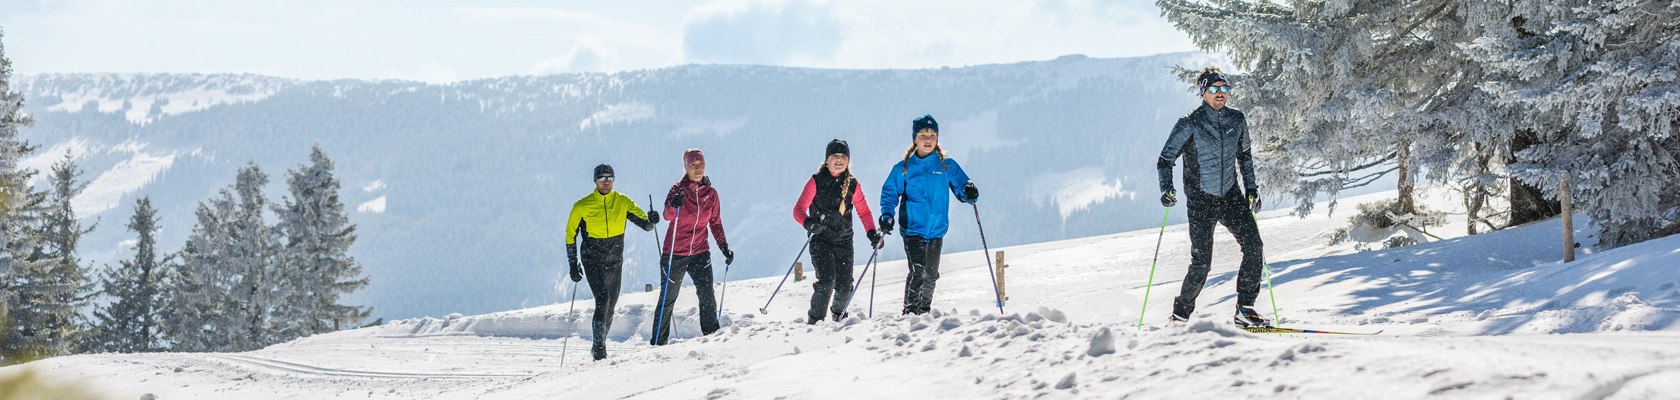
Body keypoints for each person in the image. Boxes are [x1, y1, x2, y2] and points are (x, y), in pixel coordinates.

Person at [1156, 67, 1270, 328]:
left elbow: (1245, 157)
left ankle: (1245, 309)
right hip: (1201, 200)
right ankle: (1179, 317)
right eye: (1215, 89)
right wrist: (1166, 188)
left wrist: (1251, 189)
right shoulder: (1190, 123)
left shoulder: (1237, 119)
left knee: (1254, 247)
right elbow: (1165, 160)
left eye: (1225, 89)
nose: (1221, 94)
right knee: (1202, 263)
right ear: (1203, 92)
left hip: (1231, 196)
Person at [879, 115, 979, 315]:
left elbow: (963, 186)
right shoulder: (904, 168)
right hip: (913, 229)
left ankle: (923, 311)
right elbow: (890, 192)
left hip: (936, 229)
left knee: (931, 275)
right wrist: (887, 214)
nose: (928, 139)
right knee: (918, 270)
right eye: (923, 135)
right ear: (915, 139)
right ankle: (910, 312)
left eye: (932, 135)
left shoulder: (946, 166)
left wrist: (969, 192)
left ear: (937, 138)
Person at [566, 164, 660, 360]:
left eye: (610, 178)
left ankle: (599, 341)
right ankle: (599, 349)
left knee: (611, 305)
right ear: (595, 181)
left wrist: (652, 220)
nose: (606, 182)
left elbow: (645, 224)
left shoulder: (622, 201)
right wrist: (573, 264)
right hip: (592, 259)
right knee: (603, 299)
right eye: (602, 178)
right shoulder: (582, 206)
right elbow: (570, 235)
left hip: (615, 260)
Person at [792, 139, 882, 324]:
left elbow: (864, 212)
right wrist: (809, 223)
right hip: (821, 240)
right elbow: (798, 210)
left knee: (844, 285)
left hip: (844, 240)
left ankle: (839, 318)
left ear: (848, 160)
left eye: (843, 156)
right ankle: (815, 322)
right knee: (826, 282)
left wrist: (872, 233)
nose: (839, 159)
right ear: (827, 160)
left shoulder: (853, 185)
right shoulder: (816, 181)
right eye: (835, 156)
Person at [650, 149, 732, 345]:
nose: (698, 169)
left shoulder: (711, 194)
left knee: (707, 295)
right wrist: (674, 204)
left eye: (701, 165)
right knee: (668, 298)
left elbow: (715, 222)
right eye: (693, 165)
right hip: (675, 253)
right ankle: (657, 343)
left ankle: (711, 336)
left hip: (700, 252)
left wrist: (723, 246)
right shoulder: (677, 189)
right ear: (686, 167)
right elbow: (667, 216)